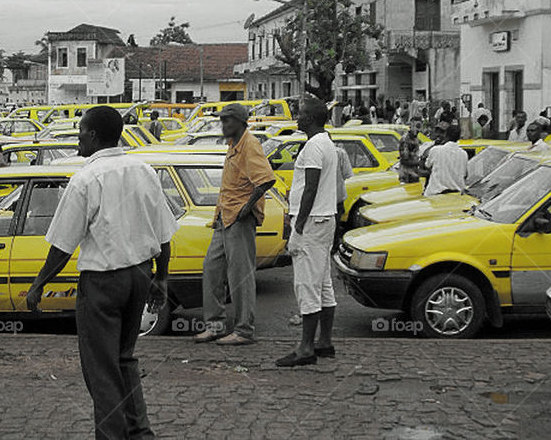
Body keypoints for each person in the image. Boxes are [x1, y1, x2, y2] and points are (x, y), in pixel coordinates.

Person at [27, 106, 177, 440]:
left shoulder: (85, 179)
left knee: (101, 368)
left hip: (103, 282)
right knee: (125, 359)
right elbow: (164, 233)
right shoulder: (144, 171)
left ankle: (112, 434)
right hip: (140, 274)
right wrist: (161, 278)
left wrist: (39, 283)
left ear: (93, 135)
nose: (77, 137)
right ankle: (139, 431)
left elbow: (63, 245)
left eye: (81, 131)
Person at [195, 103, 276, 345]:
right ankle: (215, 326)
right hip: (224, 217)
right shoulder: (234, 145)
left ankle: (244, 330)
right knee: (212, 270)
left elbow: (266, 180)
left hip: (238, 219)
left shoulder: (250, 145)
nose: (223, 125)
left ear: (240, 122)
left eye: (227, 120)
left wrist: (246, 207)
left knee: (240, 276)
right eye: (222, 120)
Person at [276, 98, 339, 367]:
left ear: (311, 119)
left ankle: (305, 348)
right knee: (322, 282)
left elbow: (310, 188)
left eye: (301, 114)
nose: (297, 118)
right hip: (325, 219)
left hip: (312, 222)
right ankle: (324, 341)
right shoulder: (327, 143)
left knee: (306, 284)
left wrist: (298, 225)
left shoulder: (314, 147)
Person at [422, 124, 467, 196]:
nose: (438, 135)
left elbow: (427, 165)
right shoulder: (464, 154)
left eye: (441, 132)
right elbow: (464, 175)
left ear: (446, 135)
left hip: (435, 195)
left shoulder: (435, 150)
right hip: (457, 196)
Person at [397, 116, 424, 184]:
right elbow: (404, 160)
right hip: (406, 176)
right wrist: (419, 163)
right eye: (416, 127)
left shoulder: (415, 139)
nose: (417, 130)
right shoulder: (405, 139)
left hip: (413, 174)